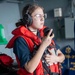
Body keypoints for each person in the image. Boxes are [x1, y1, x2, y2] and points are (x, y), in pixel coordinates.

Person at [6, 4, 65, 75]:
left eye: (43, 16)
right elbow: (30, 68)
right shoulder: (20, 40)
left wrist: (56, 58)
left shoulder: (45, 35)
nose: (42, 19)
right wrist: (43, 45)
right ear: (28, 19)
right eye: (38, 16)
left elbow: (62, 56)